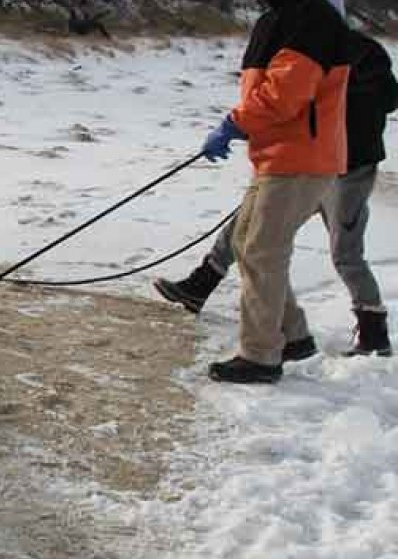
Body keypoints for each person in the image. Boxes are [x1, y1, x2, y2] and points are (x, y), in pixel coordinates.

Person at [155, 29, 395, 363]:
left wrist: (330, 100)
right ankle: (201, 284)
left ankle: (374, 332)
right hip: (305, 160)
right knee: (248, 225)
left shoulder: (364, 51)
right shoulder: (298, 43)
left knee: (345, 253)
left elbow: (386, 99)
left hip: (349, 168)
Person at [174, 0, 353, 384]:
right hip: (278, 155)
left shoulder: (312, 18)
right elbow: (267, 87)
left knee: (263, 250)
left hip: (301, 157)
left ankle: (260, 356)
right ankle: (293, 335)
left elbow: (286, 94)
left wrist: (235, 123)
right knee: (246, 242)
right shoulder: (278, 18)